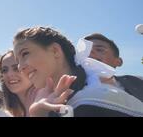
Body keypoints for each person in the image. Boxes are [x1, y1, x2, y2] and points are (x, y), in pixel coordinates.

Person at [13, 26, 143, 117]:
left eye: (25, 54)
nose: (20, 67)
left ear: (55, 51)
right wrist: (38, 114)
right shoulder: (50, 105)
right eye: (17, 60)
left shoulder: (96, 99)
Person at [85, 33, 143, 102]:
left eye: (99, 49)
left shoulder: (138, 82)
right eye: (85, 50)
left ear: (118, 61)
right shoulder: (71, 86)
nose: (90, 52)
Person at [0, 50, 34, 116]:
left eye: (16, 68)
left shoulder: (49, 103)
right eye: (4, 70)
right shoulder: (4, 112)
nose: (9, 74)